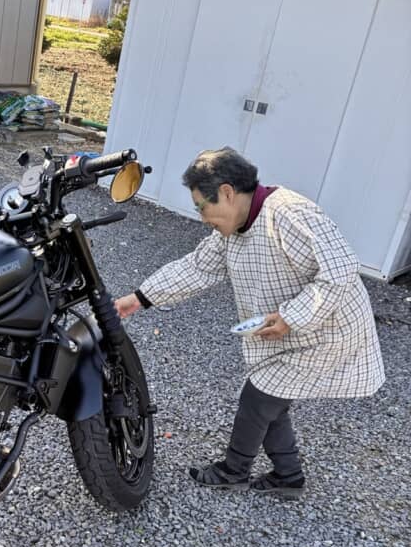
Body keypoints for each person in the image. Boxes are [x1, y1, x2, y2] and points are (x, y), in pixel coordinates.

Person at [115, 147, 385, 498]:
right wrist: (138, 298)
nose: (201, 217)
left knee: (259, 398)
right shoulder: (232, 231)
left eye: (202, 206)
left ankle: (234, 470)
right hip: (293, 332)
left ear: (227, 193)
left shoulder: (290, 213)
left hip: (329, 332)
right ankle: (288, 477)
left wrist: (291, 316)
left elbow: (341, 269)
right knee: (272, 398)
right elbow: (196, 268)